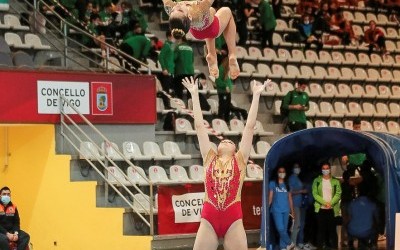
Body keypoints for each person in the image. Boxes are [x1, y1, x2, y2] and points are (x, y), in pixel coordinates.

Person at [182, 76, 268, 250]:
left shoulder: (240, 160)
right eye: (223, 141)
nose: (226, 141)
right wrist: (194, 95)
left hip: (233, 220)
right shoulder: (209, 157)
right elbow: (199, 126)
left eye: (230, 141)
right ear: (217, 147)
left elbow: (249, 127)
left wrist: (256, 96)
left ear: (235, 149)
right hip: (209, 219)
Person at [162, 0, 240, 80]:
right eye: (180, 10)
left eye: (173, 11)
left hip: (197, 32)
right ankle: (232, 55)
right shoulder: (198, 10)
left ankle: (211, 54)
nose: (177, 7)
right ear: (189, 16)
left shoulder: (171, 7)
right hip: (212, 29)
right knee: (227, 11)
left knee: (211, 11)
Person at [312, 163, 342, 249]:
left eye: (327, 168)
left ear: (330, 169)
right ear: (321, 170)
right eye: (323, 168)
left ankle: (335, 248)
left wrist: (331, 203)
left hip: (332, 209)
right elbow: (315, 194)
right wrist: (324, 203)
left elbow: (338, 193)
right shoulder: (316, 181)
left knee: (333, 231)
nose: (325, 170)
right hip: (320, 209)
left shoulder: (335, 181)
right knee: (320, 231)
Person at [269, 166, 296, 250]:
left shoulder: (287, 185)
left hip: (286, 210)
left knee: (284, 229)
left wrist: (292, 211)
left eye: (283, 171)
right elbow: (270, 197)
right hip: (276, 210)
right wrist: (266, 207)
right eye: (280, 171)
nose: (282, 173)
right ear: (277, 173)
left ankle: (283, 247)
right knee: (280, 228)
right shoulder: (273, 183)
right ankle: (290, 243)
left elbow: (290, 199)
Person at [347, 184, 379, 250]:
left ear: (358, 192)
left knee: (349, 225)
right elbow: (377, 219)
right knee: (375, 227)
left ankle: (350, 243)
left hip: (352, 231)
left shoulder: (352, 203)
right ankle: (372, 244)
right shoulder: (372, 204)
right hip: (367, 231)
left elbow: (349, 218)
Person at [288, 163, 308, 249]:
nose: (297, 168)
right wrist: (301, 191)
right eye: (295, 167)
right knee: (296, 225)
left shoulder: (297, 178)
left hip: (299, 204)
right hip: (294, 204)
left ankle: (295, 243)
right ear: (292, 169)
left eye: (298, 167)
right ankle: (293, 244)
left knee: (298, 225)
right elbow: (290, 192)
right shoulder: (292, 178)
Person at [173, 34, 194, 99]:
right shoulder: (190, 48)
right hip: (190, 71)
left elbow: (173, 58)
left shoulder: (178, 47)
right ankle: (191, 107)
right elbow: (192, 60)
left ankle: (180, 107)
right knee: (190, 93)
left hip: (180, 71)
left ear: (180, 39)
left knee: (179, 91)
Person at [216, 56, 233, 122]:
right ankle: (219, 120)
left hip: (228, 92)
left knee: (228, 107)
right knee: (222, 106)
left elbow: (228, 81)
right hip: (222, 91)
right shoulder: (221, 69)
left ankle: (226, 121)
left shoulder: (228, 69)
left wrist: (230, 86)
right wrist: (225, 86)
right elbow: (218, 81)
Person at [158, 30, 175, 95]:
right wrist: (164, 68)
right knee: (166, 91)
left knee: (172, 92)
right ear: (169, 37)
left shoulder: (172, 46)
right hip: (167, 71)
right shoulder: (166, 45)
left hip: (172, 71)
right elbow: (160, 57)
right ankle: (167, 104)